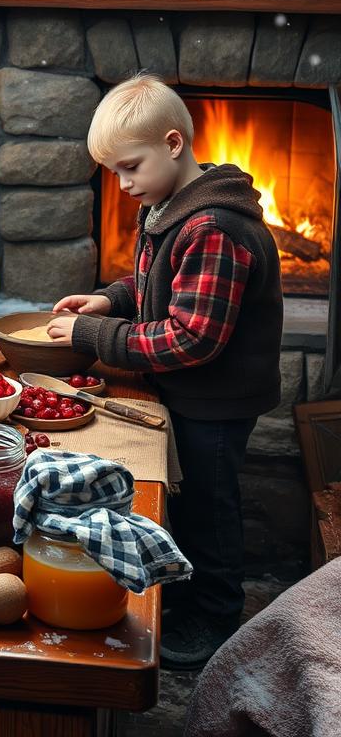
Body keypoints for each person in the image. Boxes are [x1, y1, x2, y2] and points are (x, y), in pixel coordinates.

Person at [48, 73, 283, 671]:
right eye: (115, 173)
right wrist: (113, 300)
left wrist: (95, 336)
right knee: (191, 502)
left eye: (129, 167)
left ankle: (219, 616)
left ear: (174, 144)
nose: (122, 185)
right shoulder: (168, 206)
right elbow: (160, 288)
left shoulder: (215, 229)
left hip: (218, 399)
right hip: (187, 394)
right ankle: (186, 593)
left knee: (210, 506)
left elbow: (191, 335)